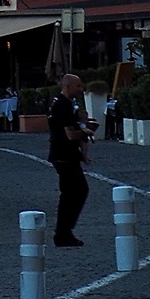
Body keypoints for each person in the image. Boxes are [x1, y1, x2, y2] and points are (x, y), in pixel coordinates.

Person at [50, 73, 92, 246]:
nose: (80, 89)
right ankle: (63, 232)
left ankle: (64, 232)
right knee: (76, 192)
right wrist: (86, 132)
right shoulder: (63, 105)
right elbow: (71, 134)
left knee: (72, 193)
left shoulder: (63, 104)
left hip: (64, 154)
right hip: (64, 154)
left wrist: (82, 123)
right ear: (67, 86)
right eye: (78, 86)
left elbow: (74, 128)